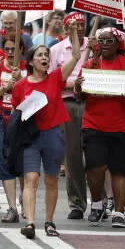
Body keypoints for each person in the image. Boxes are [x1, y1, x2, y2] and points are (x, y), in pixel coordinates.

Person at [11, 20, 81, 239]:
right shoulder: (20, 85)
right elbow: (16, 112)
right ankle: (30, 223)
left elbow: (77, 56)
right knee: (31, 179)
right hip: (30, 138)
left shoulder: (55, 78)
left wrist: (74, 33)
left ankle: (49, 222)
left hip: (53, 136)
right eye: (40, 55)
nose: (44, 58)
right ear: (30, 61)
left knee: (51, 180)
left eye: (46, 56)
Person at [74, 28, 125, 228]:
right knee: (94, 168)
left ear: (118, 43)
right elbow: (80, 97)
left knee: (120, 171)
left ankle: (119, 213)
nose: (104, 44)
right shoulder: (89, 65)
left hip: (124, 126)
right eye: (101, 40)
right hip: (94, 125)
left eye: (109, 40)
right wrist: (79, 87)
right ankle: (97, 204)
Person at [48, 12, 89, 220]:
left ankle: (103, 200)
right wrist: (72, 85)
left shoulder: (94, 47)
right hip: (68, 104)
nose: (79, 28)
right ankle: (77, 203)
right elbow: (50, 81)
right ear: (65, 29)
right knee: (72, 157)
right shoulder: (56, 50)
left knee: (97, 154)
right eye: (74, 25)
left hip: (93, 103)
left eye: (82, 24)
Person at [0, 36, 25, 223]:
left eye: (14, 49)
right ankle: (12, 207)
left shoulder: (27, 67)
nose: (10, 53)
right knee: (3, 160)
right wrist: (5, 88)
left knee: (24, 161)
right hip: (0, 118)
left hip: (23, 119)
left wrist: (21, 82)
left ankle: (25, 200)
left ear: (22, 50)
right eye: (7, 49)